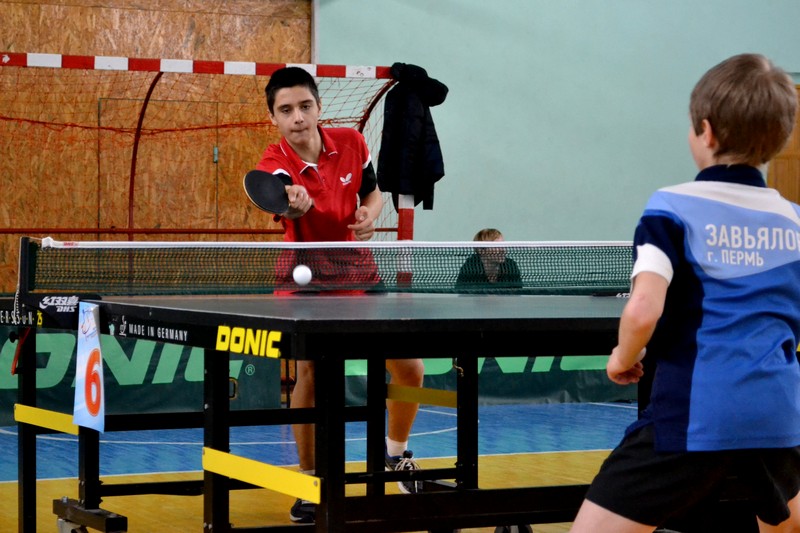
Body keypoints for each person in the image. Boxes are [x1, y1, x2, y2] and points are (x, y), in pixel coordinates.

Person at [570, 53, 800, 533]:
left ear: (706, 132)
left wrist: (622, 357)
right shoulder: (794, 220)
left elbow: (643, 309)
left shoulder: (670, 208)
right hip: (778, 411)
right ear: (779, 139)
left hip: (696, 411)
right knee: (785, 522)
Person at [253, 67, 426, 524]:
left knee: (410, 366)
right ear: (273, 117)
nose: (297, 117)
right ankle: (309, 481)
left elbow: (371, 193)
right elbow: (276, 192)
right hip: (304, 277)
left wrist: (368, 215)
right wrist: (292, 199)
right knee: (310, 372)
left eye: (304, 106)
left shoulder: (350, 142)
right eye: (286, 110)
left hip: (358, 270)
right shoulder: (274, 160)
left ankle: (395, 454)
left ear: (318, 107)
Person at [456, 228, 522, 288]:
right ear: (481, 250)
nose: (502, 250)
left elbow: (517, 292)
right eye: (496, 246)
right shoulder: (469, 268)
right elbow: (462, 293)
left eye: (503, 245)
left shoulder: (510, 266)